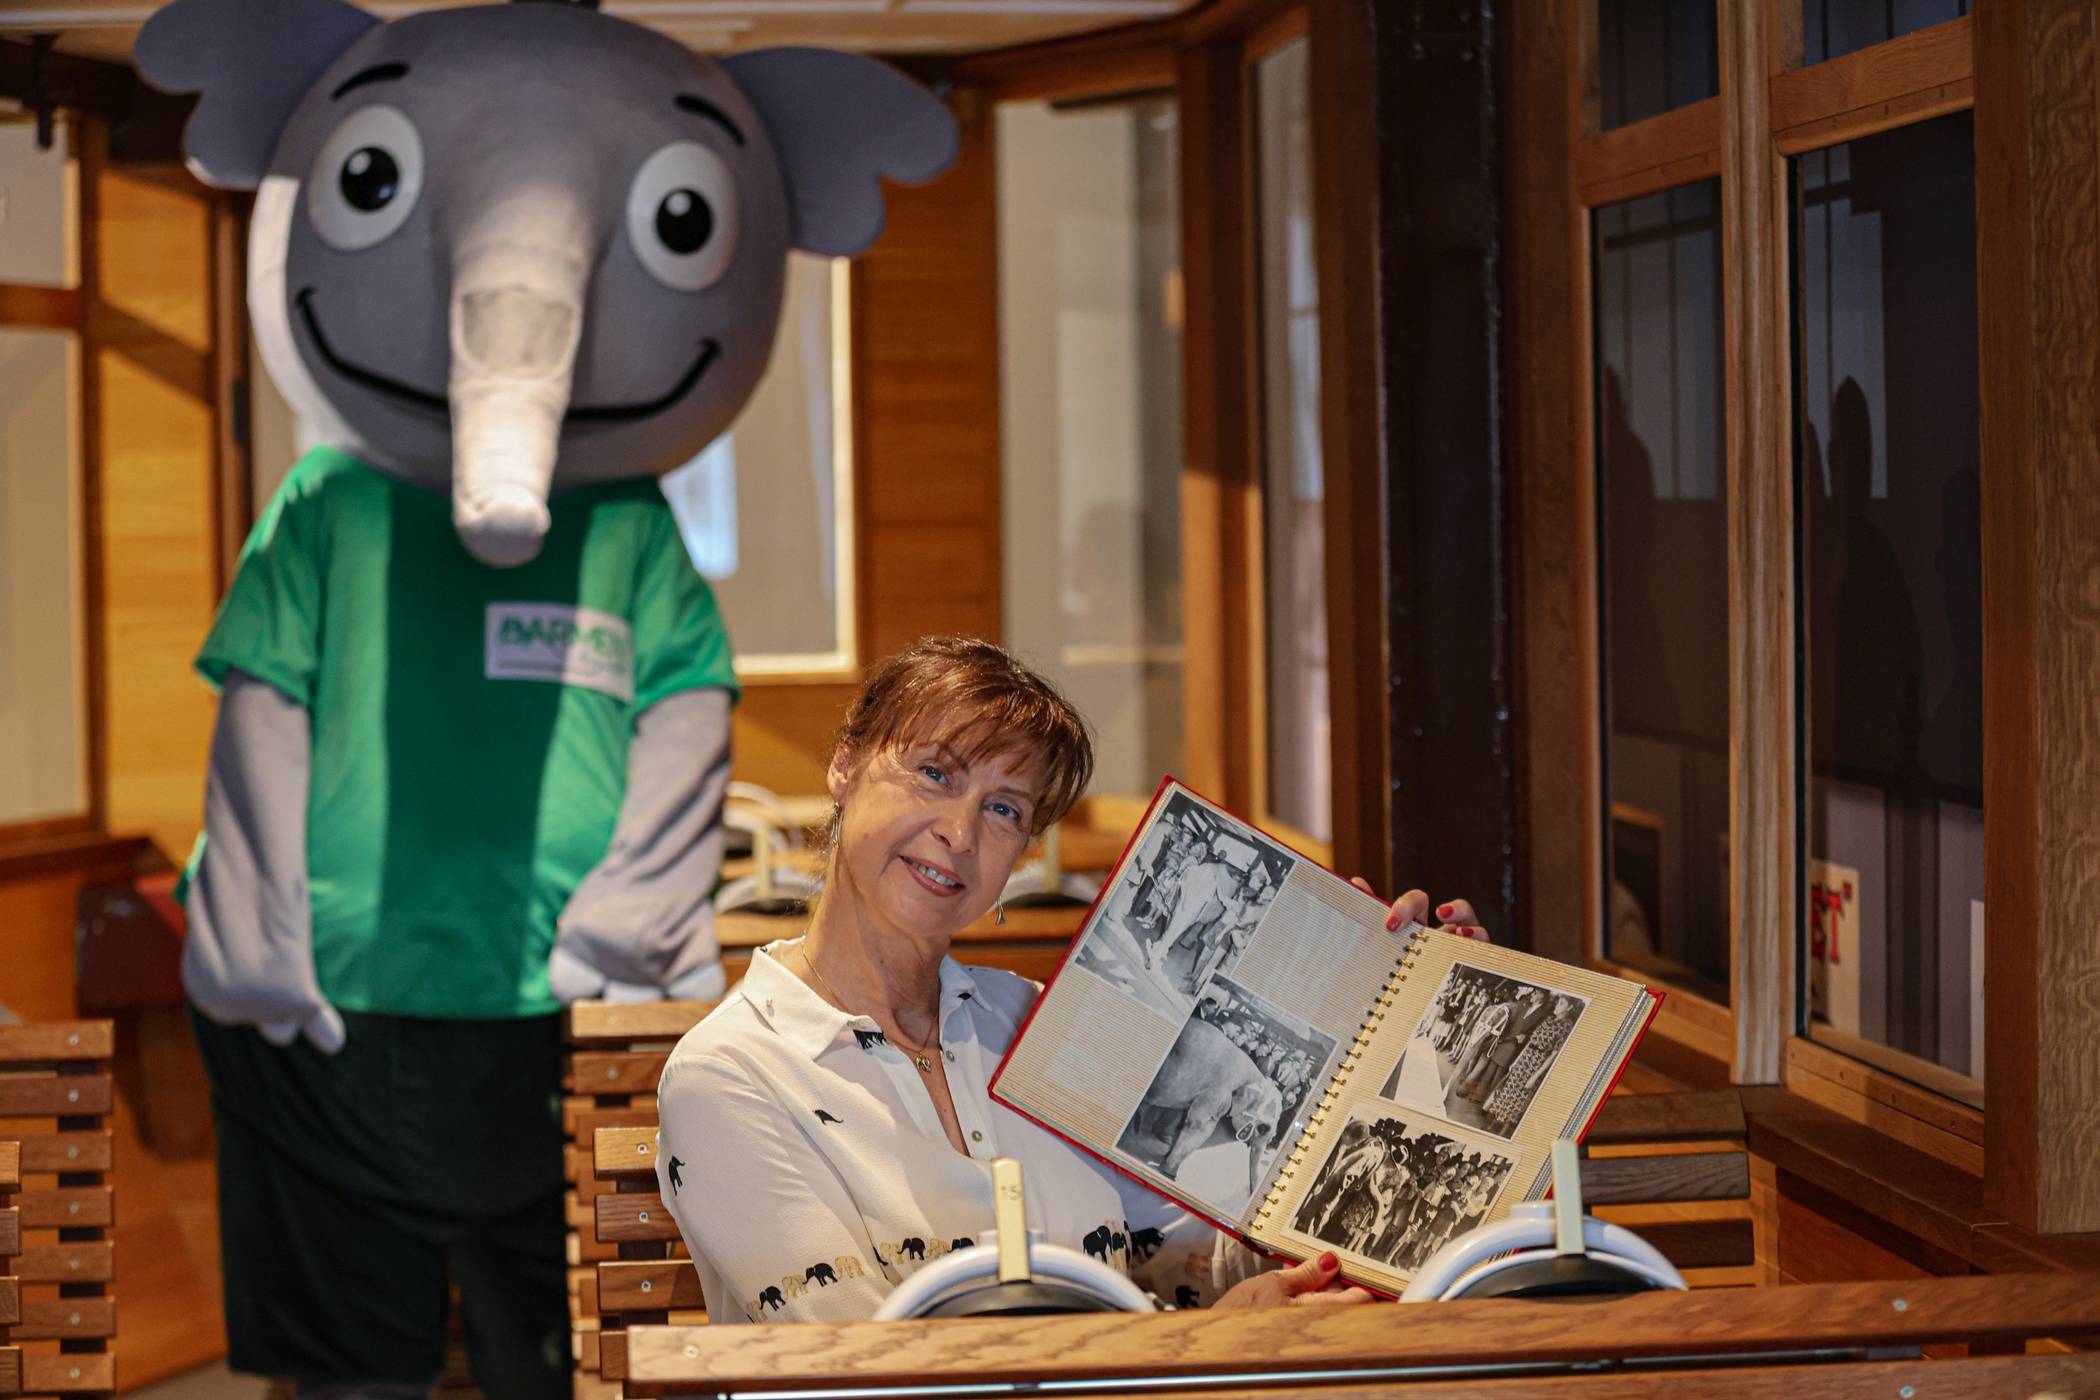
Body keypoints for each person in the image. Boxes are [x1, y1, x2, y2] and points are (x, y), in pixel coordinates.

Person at [653, 638, 1491, 1322]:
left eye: (1005, 808)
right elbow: (861, 1376)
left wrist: (1405, 1031)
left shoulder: (1035, 1021)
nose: (958, 831)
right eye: (937, 773)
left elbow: (1177, 1262)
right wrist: (1195, 1350)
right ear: (845, 767)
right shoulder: (730, 1074)